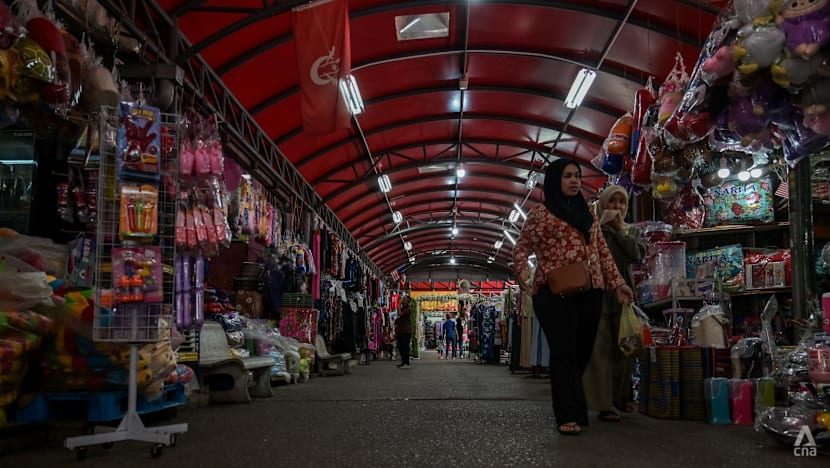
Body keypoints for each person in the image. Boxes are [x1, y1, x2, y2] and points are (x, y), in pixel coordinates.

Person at [513, 158, 634, 436]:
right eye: (568, 176)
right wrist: (522, 272)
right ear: (555, 180)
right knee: (564, 352)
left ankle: (576, 408)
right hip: (554, 292)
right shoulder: (541, 214)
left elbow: (602, 251)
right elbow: (522, 247)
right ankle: (566, 413)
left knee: (582, 352)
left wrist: (618, 284)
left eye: (577, 176)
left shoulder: (587, 213)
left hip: (591, 291)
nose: (574, 181)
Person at [583, 185, 646, 421]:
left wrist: (619, 230)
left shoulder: (631, 231)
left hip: (624, 298)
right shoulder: (592, 230)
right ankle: (605, 404)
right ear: (603, 204)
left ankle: (622, 397)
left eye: (621, 202)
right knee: (601, 353)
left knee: (626, 350)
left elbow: (637, 255)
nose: (617, 207)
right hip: (598, 297)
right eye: (612, 201)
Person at [395, 295, 413, 368]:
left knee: (405, 347)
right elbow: (398, 314)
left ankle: (406, 363)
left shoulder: (408, 308)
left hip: (406, 331)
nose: (402, 300)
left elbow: (399, 314)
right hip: (401, 330)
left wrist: (399, 304)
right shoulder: (403, 308)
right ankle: (403, 362)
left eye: (404, 299)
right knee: (400, 346)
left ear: (407, 301)